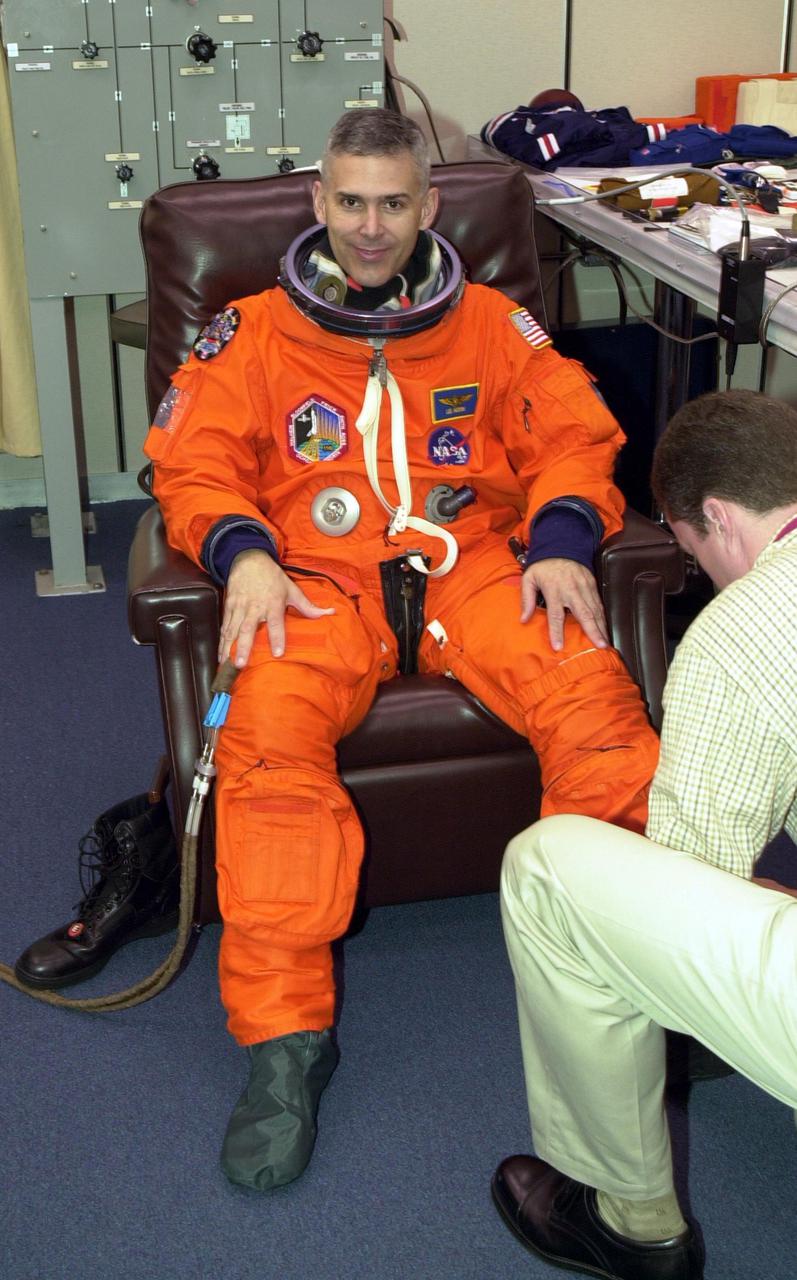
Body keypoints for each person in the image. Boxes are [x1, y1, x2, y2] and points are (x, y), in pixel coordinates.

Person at [139, 108, 658, 1193]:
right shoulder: (252, 333)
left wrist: (562, 538)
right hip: (312, 579)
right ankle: (285, 1041)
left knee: (594, 707)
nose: (371, 226)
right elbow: (193, 469)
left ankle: (635, 973)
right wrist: (240, 555)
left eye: (392, 202)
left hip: (474, 565)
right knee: (268, 754)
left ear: (429, 206)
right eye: (349, 201)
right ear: (316, 203)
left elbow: (573, 433)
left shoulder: (487, 326)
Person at [492, 388, 797, 1280]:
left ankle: (630, 1222)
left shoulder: (740, 633)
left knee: (549, 871)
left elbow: (687, 877)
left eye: (694, 553)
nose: (704, 573)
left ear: (713, 519)